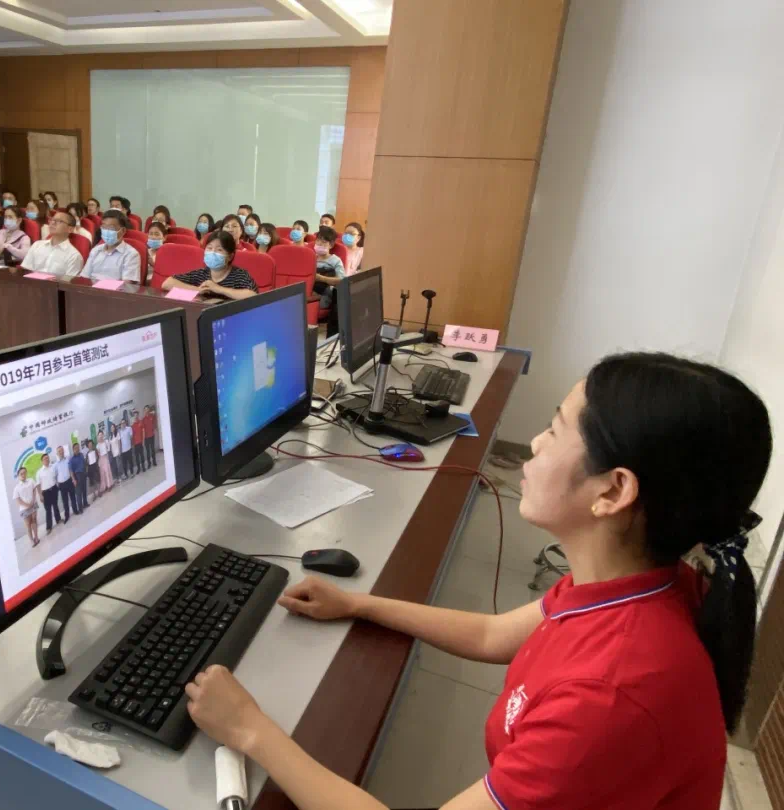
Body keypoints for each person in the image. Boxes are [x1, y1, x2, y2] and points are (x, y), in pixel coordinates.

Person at [186, 352, 771, 810]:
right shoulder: (640, 582)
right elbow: (494, 635)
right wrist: (358, 604)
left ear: (613, 491)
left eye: (554, 430)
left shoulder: (613, 695)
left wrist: (250, 730)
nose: (534, 444)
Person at [162, 230, 258, 300]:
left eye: (219, 250)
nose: (213, 252)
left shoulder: (240, 275)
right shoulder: (201, 273)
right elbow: (167, 283)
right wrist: (196, 289)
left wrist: (219, 289)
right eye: (209, 248)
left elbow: (253, 296)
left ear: (230, 256)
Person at [81, 210, 141, 282]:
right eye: (104, 227)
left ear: (123, 231)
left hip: (115, 289)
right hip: (90, 288)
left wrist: (101, 284)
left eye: (111, 228)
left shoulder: (131, 254)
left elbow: (127, 285)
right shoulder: (96, 250)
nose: (106, 231)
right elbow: (84, 277)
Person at [21, 210, 83, 277]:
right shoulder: (37, 245)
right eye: (52, 220)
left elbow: (68, 281)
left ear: (70, 229)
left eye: (59, 221)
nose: (53, 223)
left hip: (55, 284)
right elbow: (25, 271)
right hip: (31, 282)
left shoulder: (74, 256)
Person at [312, 225, 345, 310]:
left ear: (331, 245)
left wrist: (321, 278)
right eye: (318, 240)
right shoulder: (311, 258)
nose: (319, 243)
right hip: (310, 289)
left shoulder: (335, 260)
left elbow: (341, 280)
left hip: (325, 292)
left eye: (323, 242)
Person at [13, 467, 39, 548]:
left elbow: (34, 490)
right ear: (18, 475)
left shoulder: (31, 481)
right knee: (28, 524)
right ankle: (31, 541)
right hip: (24, 508)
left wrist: (33, 500)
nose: (23, 475)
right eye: (21, 473)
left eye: (24, 473)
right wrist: (27, 505)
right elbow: (18, 500)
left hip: (33, 504)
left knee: (34, 520)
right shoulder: (17, 487)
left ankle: (36, 537)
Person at [55, 445, 81, 524]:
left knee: (73, 497)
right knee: (65, 501)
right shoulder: (55, 465)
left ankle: (75, 510)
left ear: (64, 451)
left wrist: (73, 479)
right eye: (59, 451)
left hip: (69, 481)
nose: (61, 452)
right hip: (62, 484)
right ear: (57, 453)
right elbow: (55, 476)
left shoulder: (68, 459)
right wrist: (57, 485)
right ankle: (67, 515)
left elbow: (71, 470)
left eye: (62, 450)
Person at [37, 453, 62, 532]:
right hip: (45, 493)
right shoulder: (39, 472)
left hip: (54, 489)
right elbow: (38, 485)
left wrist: (57, 486)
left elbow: (56, 477)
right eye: (45, 459)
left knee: (55, 506)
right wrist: (40, 495)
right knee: (48, 510)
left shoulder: (53, 467)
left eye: (47, 458)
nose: (47, 459)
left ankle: (58, 520)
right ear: (42, 461)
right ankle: (49, 527)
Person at [70, 442, 89, 511]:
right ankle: (80, 508)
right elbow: (71, 471)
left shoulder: (81, 455)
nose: (77, 449)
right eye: (76, 448)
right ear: (73, 450)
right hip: (77, 476)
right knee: (78, 493)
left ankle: (85, 503)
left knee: (84, 490)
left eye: (78, 447)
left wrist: (86, 471)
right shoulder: (71, 459)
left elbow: (84, 463)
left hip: (83, 474)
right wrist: (73, 480)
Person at [119, 415, 134, 480]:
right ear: (120, 424)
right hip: (123, 451)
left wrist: (130, 444)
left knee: (130, 462)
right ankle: (126, 474)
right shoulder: (119, 432)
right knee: (124, 464)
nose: (123, 424)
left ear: (126, 423)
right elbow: (119, 441)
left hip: (129, 448)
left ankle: (132, 473)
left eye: (124, 423)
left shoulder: (129, 428)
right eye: (122, 423)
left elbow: (131, 437)